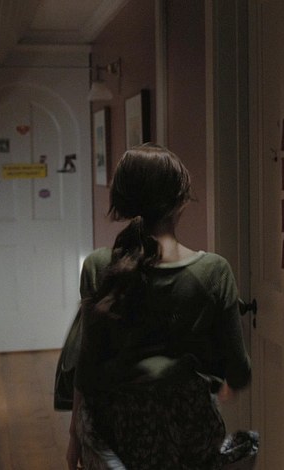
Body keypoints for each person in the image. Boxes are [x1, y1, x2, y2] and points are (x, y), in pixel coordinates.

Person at [67, 143, 257, 469]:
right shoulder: (213, 271)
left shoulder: (98, 266)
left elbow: (87, 366)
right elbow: (238, 371)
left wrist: (75, 435)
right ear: (180, 202)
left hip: (119, 432)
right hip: (190, 432)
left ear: (122, 202)